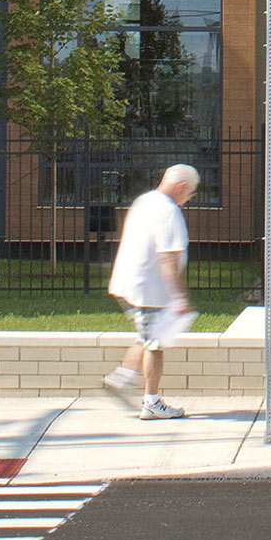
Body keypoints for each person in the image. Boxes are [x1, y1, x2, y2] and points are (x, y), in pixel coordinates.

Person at [103, 163, 198, 420]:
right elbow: (168, 259)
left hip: (128, 283)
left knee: (149, 335)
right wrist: (179, 297)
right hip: (149, 290)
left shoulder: (145, 201)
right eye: (190, 193)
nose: (188, 199)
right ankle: (151, 402)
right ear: (181, 187)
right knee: (155, 345)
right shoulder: (169, 212)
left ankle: (121, 378)